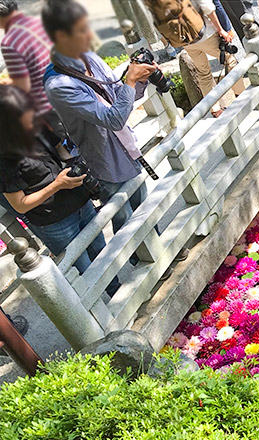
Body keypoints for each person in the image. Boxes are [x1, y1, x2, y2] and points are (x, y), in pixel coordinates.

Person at [41, 0, 154, 235]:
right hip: (104, 160)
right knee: (124, 220)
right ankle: (141, 266)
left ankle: (161, 251)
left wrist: (141, 78)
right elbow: (112, 118)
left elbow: (117, 98)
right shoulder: (59, 84)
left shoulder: (88, 56)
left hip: (126, 145)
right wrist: (131, 81)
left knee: (144, 208)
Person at [0, 86, 119, 293]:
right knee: (83, 268)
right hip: (54, 220)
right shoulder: (4, 157)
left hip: (79, 200)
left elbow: (60, 149)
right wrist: (57, 184)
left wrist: (74, 166)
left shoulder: (35, 127)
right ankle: (103, 311)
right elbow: (19, 204)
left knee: (102, 251)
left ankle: (118, 292)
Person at [143, 0, 245, 117]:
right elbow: (207, 7)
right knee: (229, 61)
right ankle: (241, 95)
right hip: (205, 34)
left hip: (185, 41)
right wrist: (221, 30)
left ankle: (215, 110)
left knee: (203, 72)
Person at [0, 0, 54, 123]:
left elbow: (22, 87)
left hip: (47, 105)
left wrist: (5, 83)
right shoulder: (37, 22)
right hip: (63, 89)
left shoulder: (9, 42)